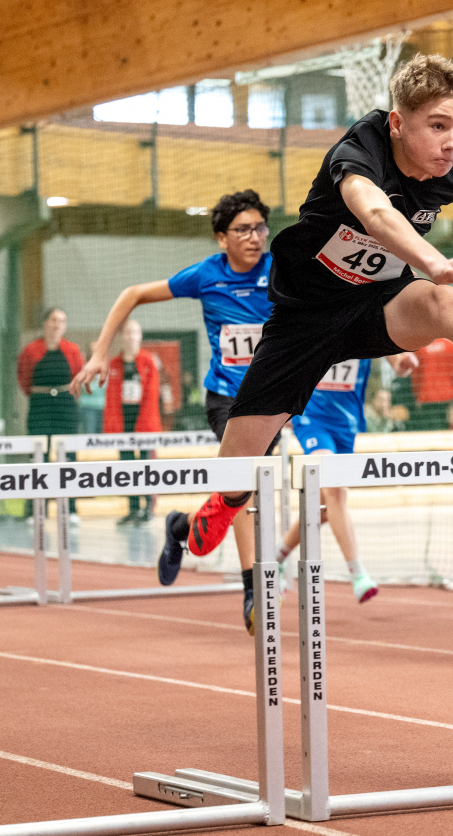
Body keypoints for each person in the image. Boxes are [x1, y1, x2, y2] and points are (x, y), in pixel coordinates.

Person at [87, 54, 453, 632]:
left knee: (445, 306)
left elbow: (399, 249)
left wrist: (426, 285)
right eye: (437, 125)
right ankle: (207, 517)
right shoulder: (357, 151)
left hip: (372, 306)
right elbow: (376, 212)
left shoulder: (449, 179)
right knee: (237, 473)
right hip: (303, 322)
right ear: (396, 122)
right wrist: (435, 260)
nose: (452, 143)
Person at [70, 190, 276, 632]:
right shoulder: (206, 275)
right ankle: (251, 590)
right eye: (243, 229)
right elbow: (132, 294)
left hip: (273, 401)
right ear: (222, 238)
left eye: (261, 227)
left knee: (244, 490)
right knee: (245, 486)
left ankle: (181, 528)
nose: (255, 237)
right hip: (227, 399)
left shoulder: (280, 271)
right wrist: (100, 354)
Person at [276, 353, 417, 606]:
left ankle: (276, 556)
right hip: (311, 416)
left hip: (346, 422)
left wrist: (402, 363)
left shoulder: (363, 318)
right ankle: (358, 573)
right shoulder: (312, 317)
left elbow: (394, 356)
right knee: (335, 489)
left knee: (325, 507)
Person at [17, 307, 84, 521]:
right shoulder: (31, 351)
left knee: (70, 458)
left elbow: (78, 375)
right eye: (54, 320)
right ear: (45, 323)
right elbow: (24, 379)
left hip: (65, 408)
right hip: (40, 408)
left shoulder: (72, 350)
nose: (57, 325)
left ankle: (71, 509)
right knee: (38, 458)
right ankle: (37, 510)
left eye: (62, 321)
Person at [104, 320, 161, 525]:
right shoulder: (114, 364)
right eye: (127, 333)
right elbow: (110, 396)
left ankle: (149, 508)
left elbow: (153, 395)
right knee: (127, 467)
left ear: (140, 336)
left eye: (135, 333)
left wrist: (145, 424)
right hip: (123, 422)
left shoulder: (148, 361)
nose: (131, 337)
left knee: (146, 466)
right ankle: (133, 508)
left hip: (144, 421)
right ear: (122, 337)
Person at [409, 337, 453, 430]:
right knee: (446, 432)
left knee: (429, 433)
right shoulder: (451, 345)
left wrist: (416, 394)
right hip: (447, 397)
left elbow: (415, 374)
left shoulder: (419, 345)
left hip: (426, 398)